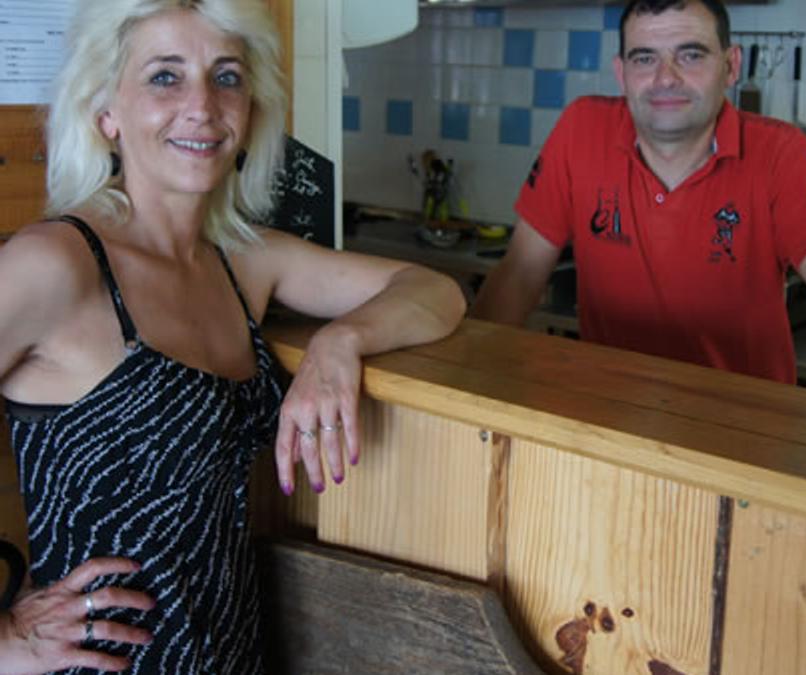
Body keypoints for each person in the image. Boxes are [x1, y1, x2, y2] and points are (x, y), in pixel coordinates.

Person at [0, 0, 465, 672]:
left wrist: (340, 342)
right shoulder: (57, 264)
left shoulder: (243, 260)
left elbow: (437, 292)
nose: (202, 106)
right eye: (165, 77)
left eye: (226, 77)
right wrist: (7, 640)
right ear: (106, 113)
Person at [472, 0, 806, 387]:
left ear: (730, 66)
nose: (665, 78)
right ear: (621, 73)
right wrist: (462, 374)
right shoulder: (581, 130)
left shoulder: (779, 153)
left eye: (690, 55)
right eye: (645, 58)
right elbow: (521, 272)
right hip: (608, 418)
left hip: (741, 428)